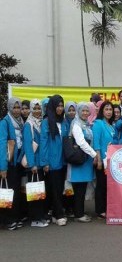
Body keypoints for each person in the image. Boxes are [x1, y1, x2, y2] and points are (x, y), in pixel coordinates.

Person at [40, 95, 68, 226]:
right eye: (58, 106)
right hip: (51, 161)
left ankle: (55, 214)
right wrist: (44, 161)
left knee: (59, 187)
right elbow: (43, 142)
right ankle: (59, 214)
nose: (60, 108)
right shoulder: (46, 121)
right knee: (55, 188)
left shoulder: (63, 121)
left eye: (62, 106)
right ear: (52, 106)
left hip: (62, 160)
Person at [68, 102, 98, 223]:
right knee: (78, 188)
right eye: (83, 111)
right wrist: (94, 154)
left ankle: (79, 211)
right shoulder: (76, 124)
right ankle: (78, 214)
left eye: (87, 111)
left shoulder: (86, 124)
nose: (85, 113)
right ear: (78, 112)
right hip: (78, 161)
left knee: (82, 187)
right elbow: (81, 142)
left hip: (85, 160)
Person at [22, 99, 48, 227]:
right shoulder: (29, 125)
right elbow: (28, 146)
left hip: (40, 163)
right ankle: (35, 219)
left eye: (39, 109)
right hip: (33, 165)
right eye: (35, 108)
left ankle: (40, 216)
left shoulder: (41, 122)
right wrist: (32, 164)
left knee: (39, 191)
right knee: (34, 192)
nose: (37, 111)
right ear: (31, 109)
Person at [0, 98, 25, 230]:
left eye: (18, 107)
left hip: (17, 163)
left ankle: (14, 217)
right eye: (14, 107)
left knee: (15, 191)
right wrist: (3, 167)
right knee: (7, 192)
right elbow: (2, 145)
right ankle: (7, 220)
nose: (16, 110)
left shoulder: (20, 121)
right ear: (10, 108)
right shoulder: (5, 122)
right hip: (8, 163)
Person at [92, 101, 115, 219]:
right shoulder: (98, 123)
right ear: (102, 111)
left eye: (110, 109)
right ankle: (100, 210)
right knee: (101, 184)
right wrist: (99, 158)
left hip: (110, 160)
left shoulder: (111, 125)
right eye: (106, 109)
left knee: (107, 185)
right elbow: (96, 142)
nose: (109, 112)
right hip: (102, 159)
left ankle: (107, 207)